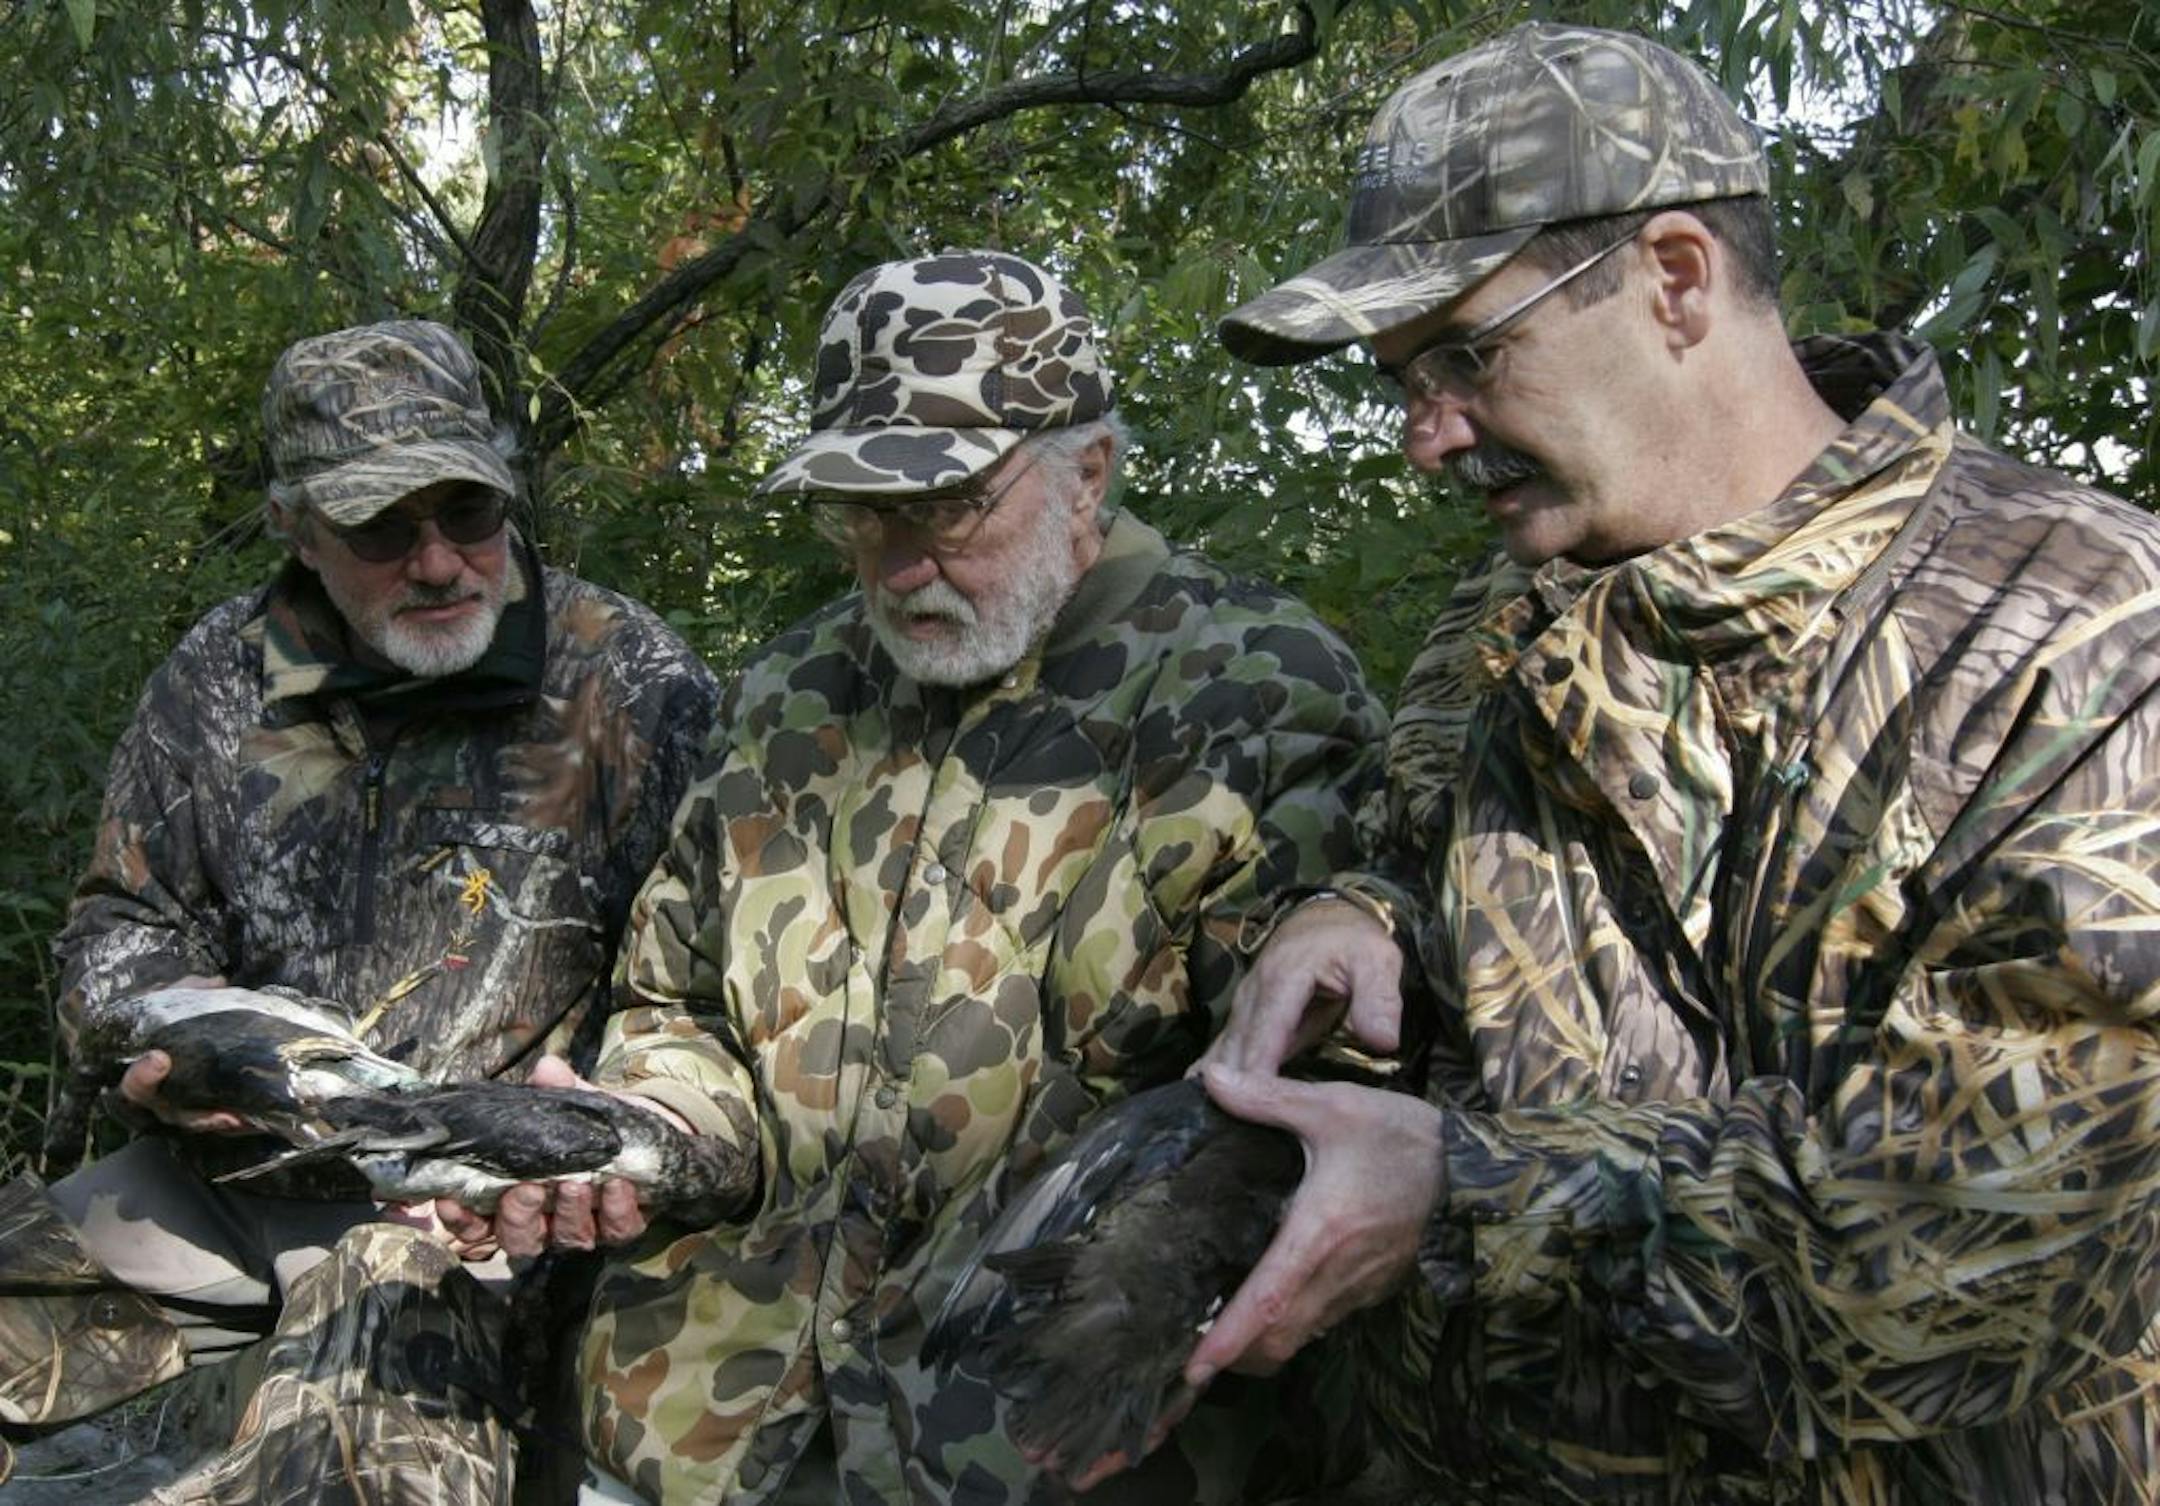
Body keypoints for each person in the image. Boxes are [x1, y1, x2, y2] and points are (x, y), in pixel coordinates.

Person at [1175, 20, 2160, 1504]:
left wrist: (1464, 1193)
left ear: (1678, 279)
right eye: (1395, 378)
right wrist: (1357, 914)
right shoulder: (1502, 623)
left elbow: (1991, 1242)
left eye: (1463, 354)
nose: (1425, 437)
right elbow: (1435, 868)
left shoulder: (2084, 634)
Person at [463, 249, 1386, 1504]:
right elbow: (679, 1011)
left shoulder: (1255, 700)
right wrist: (646, 1133)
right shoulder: (796, 695)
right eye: (862, 510)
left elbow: (1296, 1121)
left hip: (1055, 1442)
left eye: (948, 506)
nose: (898, 563)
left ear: (1089, 477)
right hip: (706, 1412)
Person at [0, 319, 720, 1432]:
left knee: (355, 1445)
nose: (436, 562)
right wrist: (162, 1039)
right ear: (297, 528)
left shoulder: (632, 681)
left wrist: (609, 1124)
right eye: (380, 526)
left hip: (505, 1226)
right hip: (240, 1195)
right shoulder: (217, 683)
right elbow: (121, 927)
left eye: (466, 513)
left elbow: (704, 983)